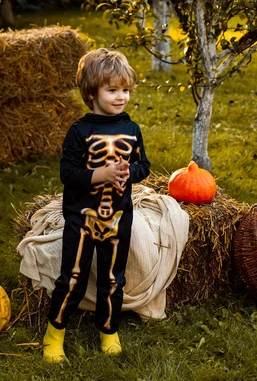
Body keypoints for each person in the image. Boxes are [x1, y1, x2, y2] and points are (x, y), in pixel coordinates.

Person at [43, 48, 151, 363]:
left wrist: (129, 173)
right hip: (82, 217)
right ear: (92, 93)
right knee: (73, 276)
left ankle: (108, 328)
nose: (121, 97)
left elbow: (143, 165)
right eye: (113, 90)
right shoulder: (80, 131)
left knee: (114, 278)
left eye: (126, 90)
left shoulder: (132, 130)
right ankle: (55, 331)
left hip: (119, 217)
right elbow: (67, 173)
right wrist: (99, 174)